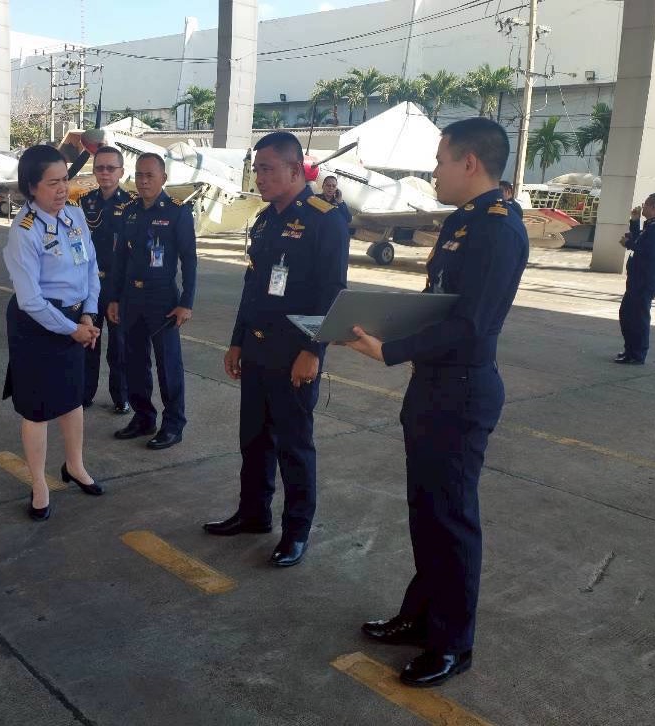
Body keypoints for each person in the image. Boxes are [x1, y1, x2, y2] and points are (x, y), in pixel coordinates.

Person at [344, 118, 528, 688]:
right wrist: (389, 324)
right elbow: (439, 304)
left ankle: (452, 644)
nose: (435, 170)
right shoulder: (464, 222)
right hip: (434, 387)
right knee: (426, 513)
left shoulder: (498, 229)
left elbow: (470, 324)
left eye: (441, 160)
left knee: (451, 521)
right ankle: (420, 617)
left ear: (469, 163)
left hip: (462, 390)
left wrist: (391, 349)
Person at [203, 132, 349, 568]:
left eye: (267, 169)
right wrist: (237, 340)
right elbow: (253, 287)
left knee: (294, 445)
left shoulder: (325, 219)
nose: (259, 177)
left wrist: (313, 350)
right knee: (253, 439)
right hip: (257, 349)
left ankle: (296, 531)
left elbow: (332, 293)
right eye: (256, 169)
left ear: (294, 169)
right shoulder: (265, 220)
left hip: (294, 354)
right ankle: (253, 513)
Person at [3, 145, 103, 521]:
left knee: (72, 399)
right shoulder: (23, 232)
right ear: (31, 187)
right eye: (52, 183)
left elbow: (91, 267)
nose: (62, 189)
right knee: (38, 409)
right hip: (38, 326)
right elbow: (30, 300)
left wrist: (89, 314)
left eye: (65, 180)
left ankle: (74, 465)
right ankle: (39, 484)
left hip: (76, 321)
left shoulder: (74, 215)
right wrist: (73, 329)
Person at [107, 153, 196, 450]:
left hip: (163, 300)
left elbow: (190, 260)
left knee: (168, 365)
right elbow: (120, 258)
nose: (143, 181)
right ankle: (143, 417)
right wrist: (114, 298)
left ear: (163, 178)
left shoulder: (178, 212)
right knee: (134, 362)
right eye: (139, 175)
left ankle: (174, 424)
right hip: (131, 298)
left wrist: (187, 302)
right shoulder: (129, 211)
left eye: (150, 175)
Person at [79, 146, 133, 414]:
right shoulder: (85, 202)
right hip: (90, 285)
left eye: (111, 168)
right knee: (88, 341)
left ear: (121, 172)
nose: (105, 173)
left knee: (119, 347)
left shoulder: (132, 204)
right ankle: (84, 393)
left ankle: (121, 397)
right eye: (99, 167)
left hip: (118, 286)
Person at [616, 193, 655, 365]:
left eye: (645, 204)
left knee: (638, 318)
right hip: (638, 278)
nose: (643, 207)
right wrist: (634, 221)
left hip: (645, 280)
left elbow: (649, 252)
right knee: (627, 315)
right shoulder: (652, 225)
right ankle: (630, 350)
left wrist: (628, 244)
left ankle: (637, 354)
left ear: (653, 206)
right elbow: (640, 239)